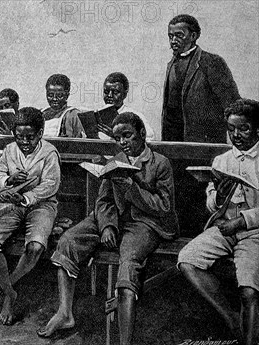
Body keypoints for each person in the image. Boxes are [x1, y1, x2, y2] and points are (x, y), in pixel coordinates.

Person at [38, 112, 178, 345]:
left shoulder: (160, 163)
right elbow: (103, 201)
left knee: (129, 260)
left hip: (146, 222)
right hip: (113, 218)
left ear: (142, 134)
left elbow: (163, 206)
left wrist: (132, 189)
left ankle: (124, 341)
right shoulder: (116, 160)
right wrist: (107, 227)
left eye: (128, 136)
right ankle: (65, 313)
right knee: (68, 240)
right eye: (118, 138)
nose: (123, 142)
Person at [178, 99, 259, 345]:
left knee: (248, 290)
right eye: (231, 129)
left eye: (243, 128)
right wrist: (217, 197)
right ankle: (232, 319)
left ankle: (250, 339)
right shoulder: (222, 161)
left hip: (254, 232)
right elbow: (211, 205)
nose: (236, 135)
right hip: (224, 228)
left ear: (257, 129)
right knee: (187, 260)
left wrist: (242, 221)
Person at [0, 107, 61, 325]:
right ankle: (10, 292)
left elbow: (50, 186)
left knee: (35, 247)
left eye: (30, 137)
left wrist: (26, 198)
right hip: (13, 204)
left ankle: (8, 289)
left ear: (41, 133)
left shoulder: (49, 153)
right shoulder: (9, 150)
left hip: (42, 206)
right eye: (19, 137)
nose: (24, 142)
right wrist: (9, 180)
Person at [161, 14, 239, 143]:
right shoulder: (172, 64)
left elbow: (232, 104)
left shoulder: (212, 62)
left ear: (193, 36)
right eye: (170, 36)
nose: (173, 40)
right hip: (174, 143)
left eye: (179, 35)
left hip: (205, 143)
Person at [98, 72, 156, 141]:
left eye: (115, 92)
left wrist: (116, 136)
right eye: (106, 92)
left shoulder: (135, 116)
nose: (109, 95)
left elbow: (149, 141)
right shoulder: (97, 116)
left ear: (124, 94)